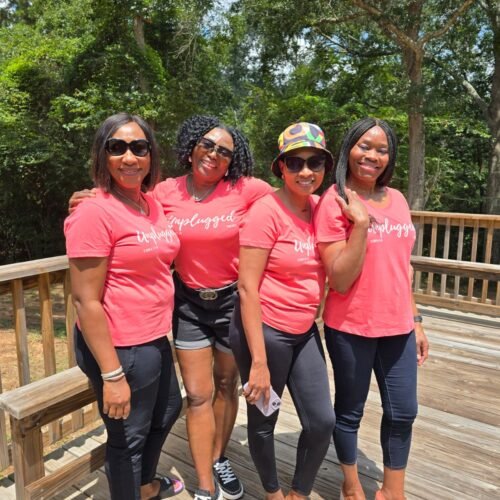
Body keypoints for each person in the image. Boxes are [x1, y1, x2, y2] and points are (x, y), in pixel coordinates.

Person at [69, 115, 273, 500]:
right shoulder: (161, 193)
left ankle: (211, 461)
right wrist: (86, 198)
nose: (214, 154)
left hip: (218, 307)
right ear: (191, 147)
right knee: (188, 400)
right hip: (178, 311)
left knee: (205, 394)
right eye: (207, 144)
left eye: (225, 151)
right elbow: (85, 294)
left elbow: (294, 200)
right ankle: (203, 484)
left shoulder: (243, 189)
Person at [64, 113, 184, 500]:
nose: (129, 157)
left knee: (168, 409)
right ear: (103, 155)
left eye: (139, 147)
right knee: (128, 440)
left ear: (151, 155)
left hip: (154, 336)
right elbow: (85, 300)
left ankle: (144, 486)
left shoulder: (150, 203)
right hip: (119, 347)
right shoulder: (93, 212)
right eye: (117, 147)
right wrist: (113, 376)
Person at [314, 118, 430, 500]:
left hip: (398, 326)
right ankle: (351, 485)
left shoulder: (397, 199)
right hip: (352, 326)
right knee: (350, 410)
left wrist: (416, 320)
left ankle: (393, 490)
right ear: (349, 148)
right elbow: (339, 279)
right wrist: (360, 225)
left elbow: (403, 267)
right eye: (364, 146)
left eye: (382, 149)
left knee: (404, 411)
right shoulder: (334, 200)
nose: (372, 156)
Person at [229, 123, 336, 500]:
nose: (306, 171)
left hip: (304, 331)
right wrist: (258, 362)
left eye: (315, 162)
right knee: (263, 420)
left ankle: (299, 493)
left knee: (322, 421)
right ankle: (273, 493)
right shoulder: (266, 212)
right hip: (264, 332)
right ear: (281, 168)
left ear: (325, 167)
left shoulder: (323, 208)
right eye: (295, 162)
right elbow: (246, 287)